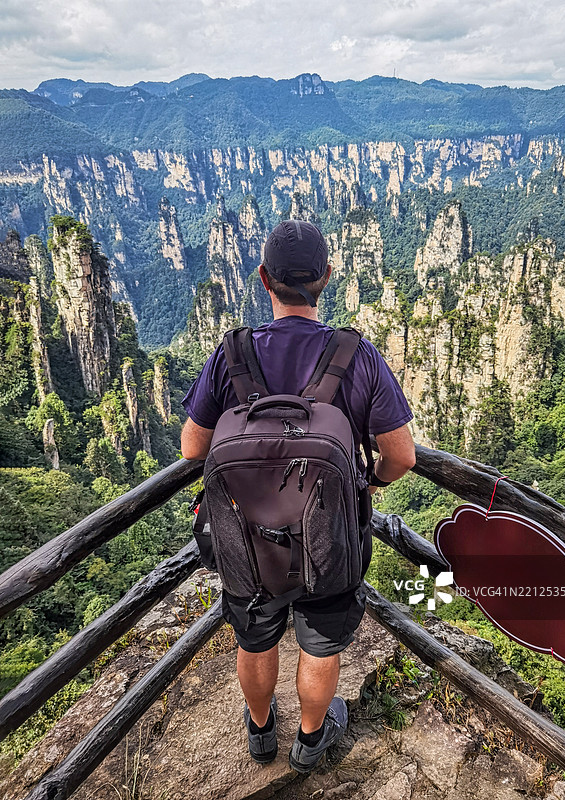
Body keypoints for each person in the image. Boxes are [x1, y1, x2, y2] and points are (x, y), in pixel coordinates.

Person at [181, 219, 416, 772]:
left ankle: (260, 731)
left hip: (245, 543)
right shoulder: (356, 356)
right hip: (329, 541)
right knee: (319, 644)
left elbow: (193, 449)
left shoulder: (231, 353)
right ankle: (311, 742)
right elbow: (402, 456)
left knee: (255, 639)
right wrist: (369, 482)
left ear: (263, 278)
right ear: (327, 278)